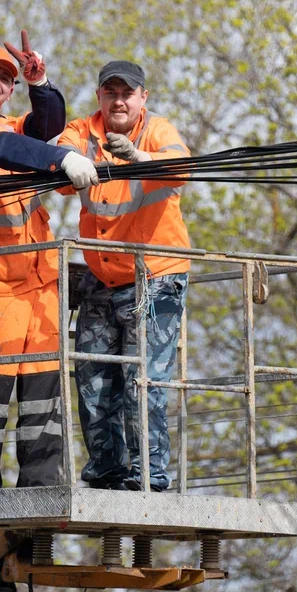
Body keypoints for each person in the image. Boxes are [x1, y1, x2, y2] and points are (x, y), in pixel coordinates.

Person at [0, 33, 99, 489]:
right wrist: (63, 158)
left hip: (38, 282)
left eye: (5, 79)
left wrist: (40, 82)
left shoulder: (11, 126)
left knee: (42, 392)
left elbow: (43, 124)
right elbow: (5, 150)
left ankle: (40, 485)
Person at [57, 60, 191, 492]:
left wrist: (140, 159)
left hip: (155, 276)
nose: (118, 100)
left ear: (142, 98)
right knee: (93, 381)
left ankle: (148, 475)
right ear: (99, 96)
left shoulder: (157, 131)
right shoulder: (84, 131)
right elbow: (59, 156)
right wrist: (67, 160)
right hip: (102, 274)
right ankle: (106, 472)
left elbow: (181, 167)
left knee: (142, 382)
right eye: (110, 92)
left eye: (127, 93)